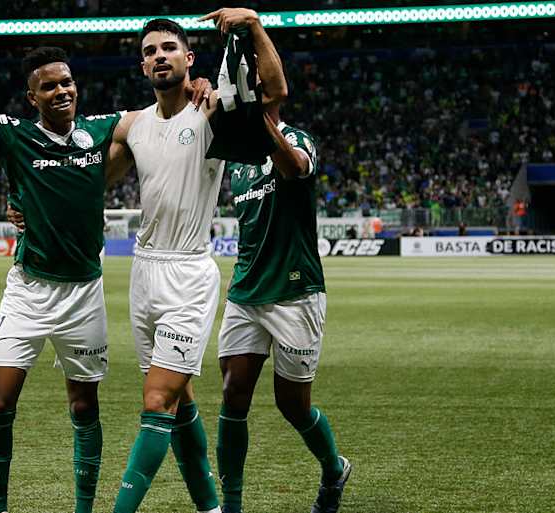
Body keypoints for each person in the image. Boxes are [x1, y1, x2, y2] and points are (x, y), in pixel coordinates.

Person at [0, 6, 131, 513]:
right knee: (0, 401)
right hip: (29, 289)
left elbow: (156, 118)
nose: (61, 91)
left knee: (84, 406)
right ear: (33, 98)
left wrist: (196, 91)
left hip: (84, 292)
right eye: (49, 87)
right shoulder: (16, 136)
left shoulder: (101, 131)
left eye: (67, 82)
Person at [105, 10, 287, 513]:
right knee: (178, 399)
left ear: (189, 58)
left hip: (187, 274)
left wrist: (254, 25)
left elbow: (275, 92)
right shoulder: (133, 125)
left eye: (168, 48)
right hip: (143, 272)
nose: (158, 56)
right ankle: (211, 508)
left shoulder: (212, 110)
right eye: (149, 52)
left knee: (156, 400)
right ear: (142, 66)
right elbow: (84, 182)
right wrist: (26, 207)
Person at [216, 104, 350, 513]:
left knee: (292, 405)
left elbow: (294, 167)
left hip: (295, 292)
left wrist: (257, 120)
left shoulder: (295, 138)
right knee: (233, 395)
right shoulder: (236, 161)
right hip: (246, 291)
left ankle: (334, 469)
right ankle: (231, 506)